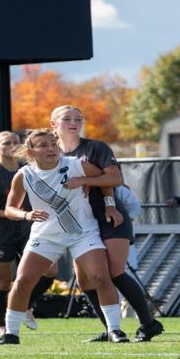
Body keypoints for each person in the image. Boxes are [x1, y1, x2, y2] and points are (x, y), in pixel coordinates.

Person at [0, 129, 125, 345]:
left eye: (53, 143)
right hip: (46, 236)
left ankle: (115, 331)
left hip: (82, 233)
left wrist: (89, 186)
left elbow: (108, 180)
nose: (50, 148)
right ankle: (11, 334)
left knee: (100, 277)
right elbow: (9, 209)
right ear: (31, 151)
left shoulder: (75, 164)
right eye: (43, 145)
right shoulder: (24, 175)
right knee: (23, 280)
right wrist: (26, 214)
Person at [51, 105, 164, 342]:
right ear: (54, 125)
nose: (74, 122)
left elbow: (113, 179)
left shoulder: (95, 147)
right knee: (84, 280)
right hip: (79, 224)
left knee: (114, 271)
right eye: (67, 118)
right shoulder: (51, 154)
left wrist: (99, 194)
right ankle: (111, 329)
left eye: (78, 118)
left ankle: (148, 323)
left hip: (108, 217)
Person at [0, 132, 48, 336]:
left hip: (28, 232)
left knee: (50, 272)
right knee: (2, 283)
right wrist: (8, 214)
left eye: (16, 142)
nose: (12, 146)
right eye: (6, 143)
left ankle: (25, 306)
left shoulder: (29, 172)